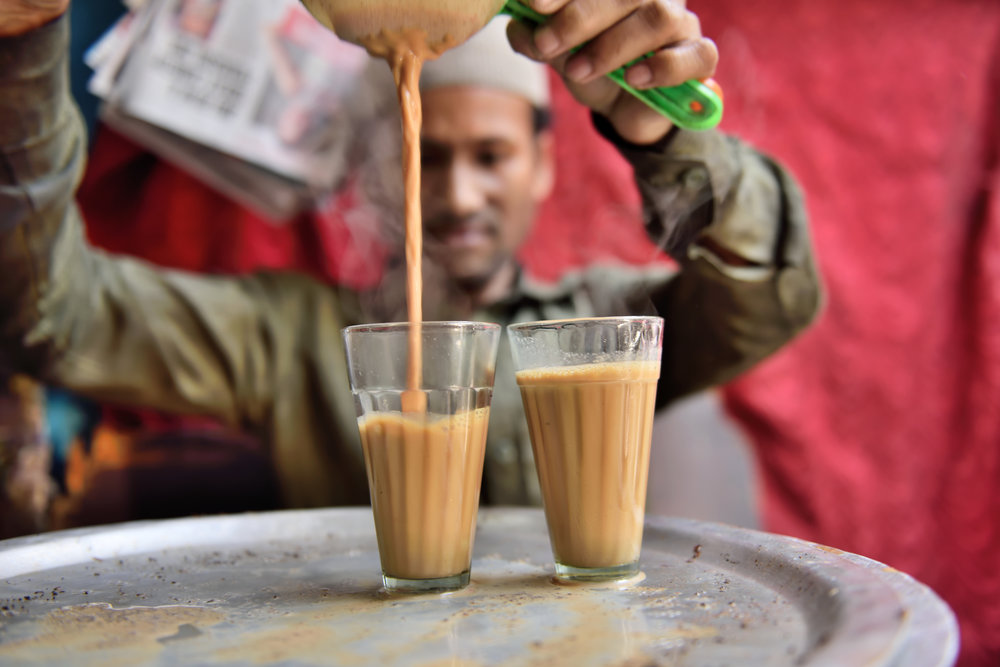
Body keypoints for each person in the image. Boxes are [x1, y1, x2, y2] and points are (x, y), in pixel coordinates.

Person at [0, 0, 821, 510]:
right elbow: (52, 310)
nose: (459, 196)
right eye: (432, 158)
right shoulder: (292, 339)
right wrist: (26, 40)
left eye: (491, 157)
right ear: (390, 169)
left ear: (543, 166)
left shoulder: (608, 333)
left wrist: (663, 131)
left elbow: (772, 293)